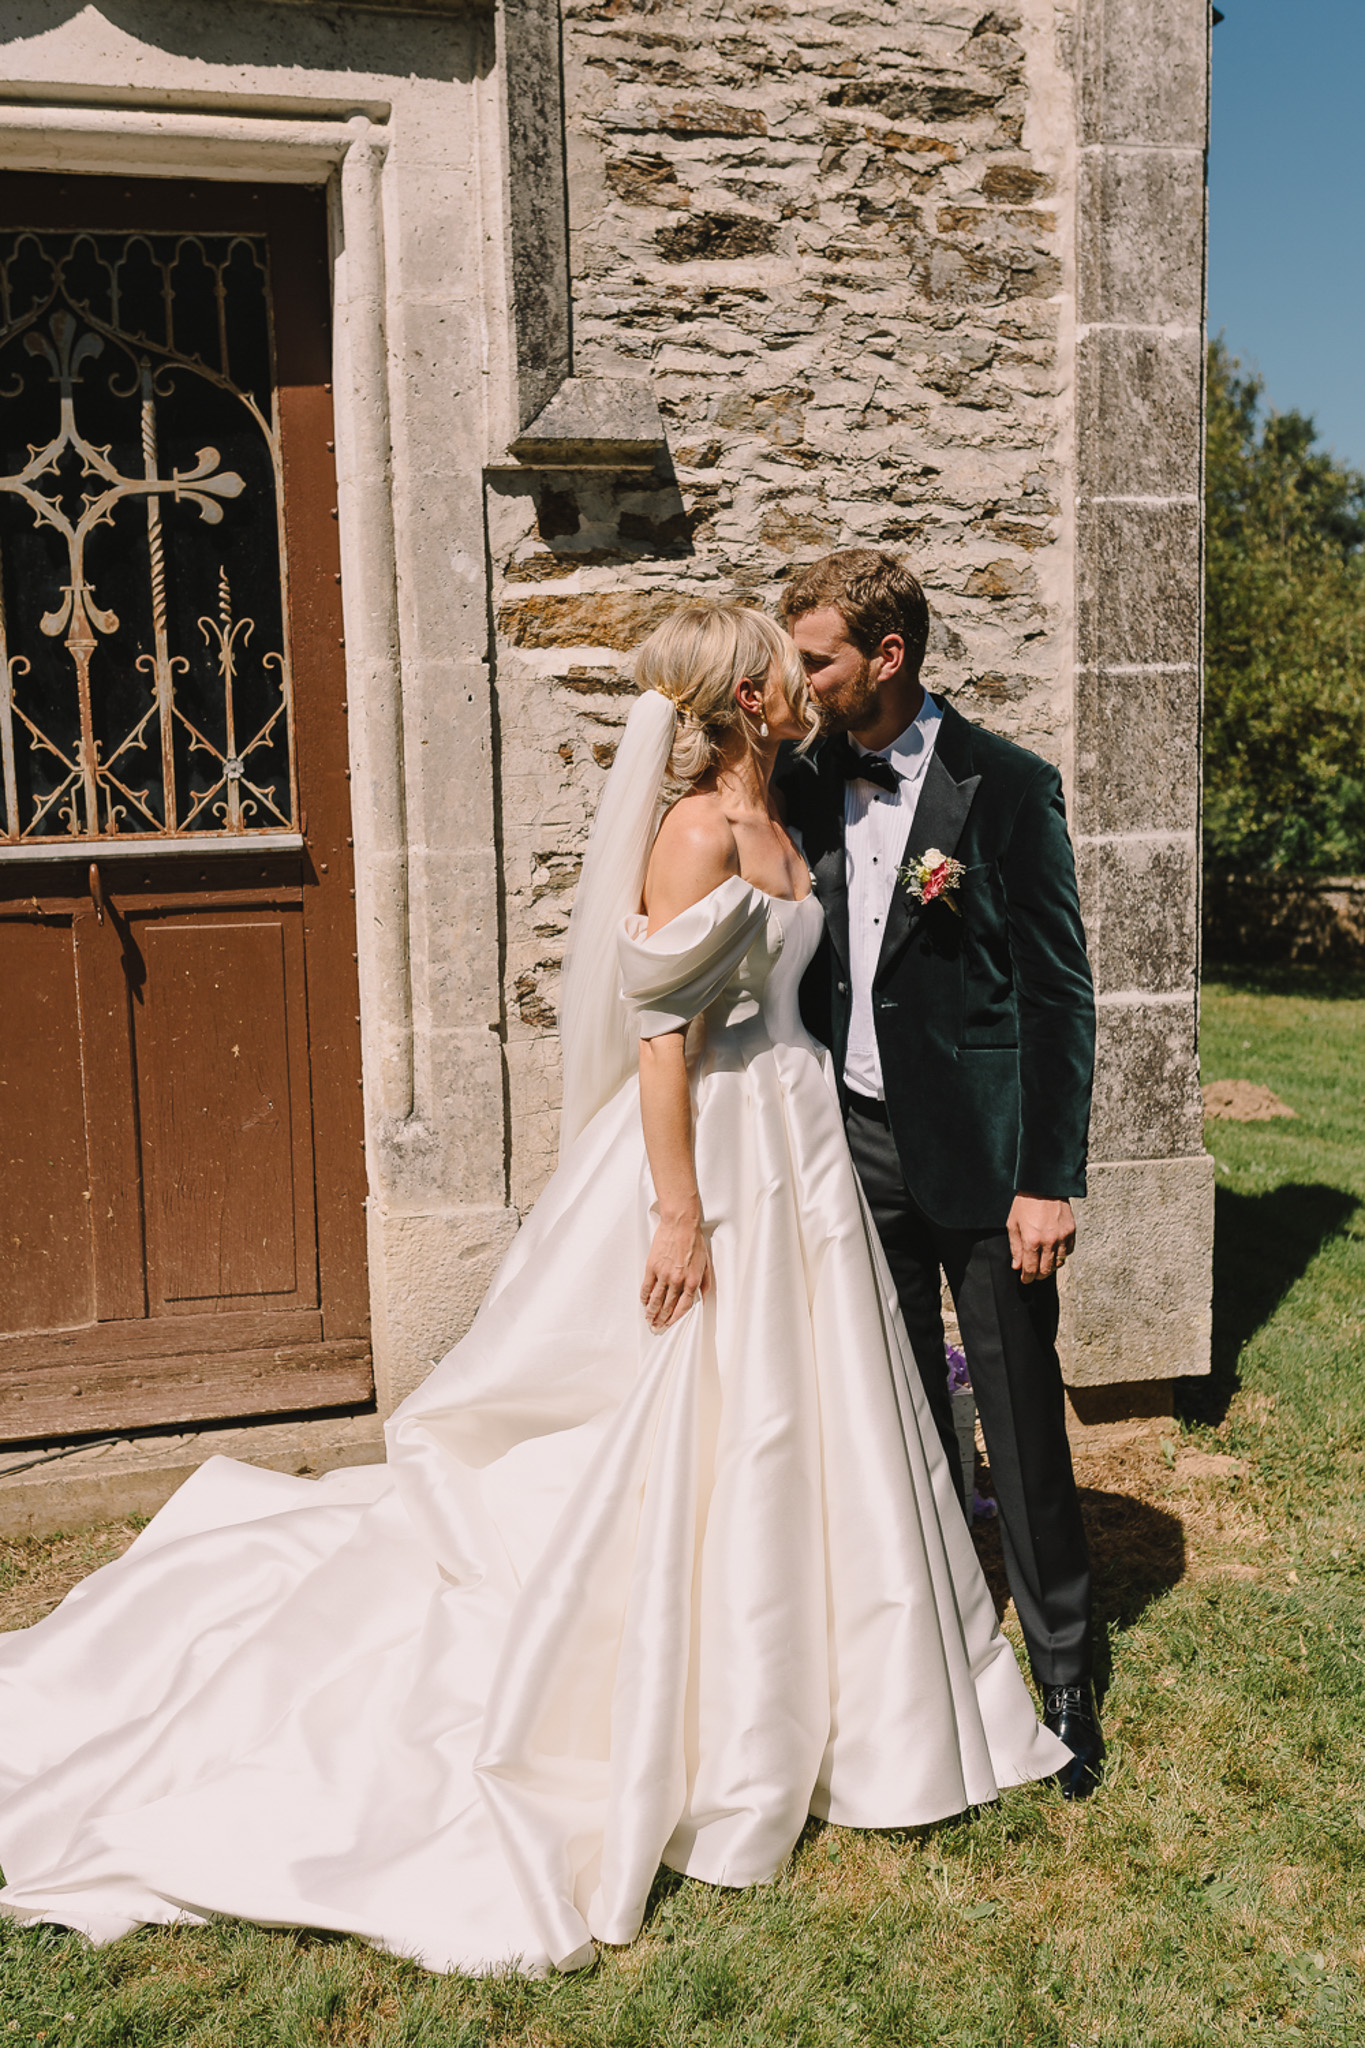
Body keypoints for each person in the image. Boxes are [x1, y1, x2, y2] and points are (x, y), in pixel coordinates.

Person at [0, 604, 1066, 1979]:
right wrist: (678, 1215)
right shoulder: (693, 830)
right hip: (723, 1154)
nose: (802, 686)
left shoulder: (785, 800)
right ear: (746, 696)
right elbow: (665, 1041)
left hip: (803, 1146)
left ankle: (851, 1701)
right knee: (706, 1421)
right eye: (781, 668)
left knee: (825, 1425)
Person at [777, 551, 1104, 1799]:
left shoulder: (1007, 786)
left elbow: (1062, 996)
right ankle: (941, 1640)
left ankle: (1065, 1658)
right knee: (904, 1407)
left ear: (889, 657)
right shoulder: (803, 782)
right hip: (850, 1144)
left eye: (818, 658)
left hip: (983, 1156)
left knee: (1019, 1414)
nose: (803, 679)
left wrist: (1049, 1175)